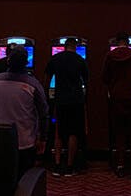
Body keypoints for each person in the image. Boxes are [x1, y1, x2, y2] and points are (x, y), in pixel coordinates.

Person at [0, 45, 49, 178]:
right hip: (24, 142)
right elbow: (44, 114)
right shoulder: (33, 84)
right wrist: (43, 139)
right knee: (22, 180)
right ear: (26, 62)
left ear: (8, 60)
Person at [101, 32, 131, 179]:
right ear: (127, 42)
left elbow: (104, 77)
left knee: (119, 132)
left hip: (115, 97)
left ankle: (119, 165)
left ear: (117, 42)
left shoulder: (109, 56)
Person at [44, 38, 89, 176]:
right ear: (74, 46)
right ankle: (70, 166)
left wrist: (48, 93)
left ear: (64, 46)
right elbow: (86, 82)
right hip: (76, 100)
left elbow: (46, 77)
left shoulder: (56, 58)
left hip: (60, 99)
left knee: (58, 131)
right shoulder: (80, 60)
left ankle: (57, 165)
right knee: (73, 133)